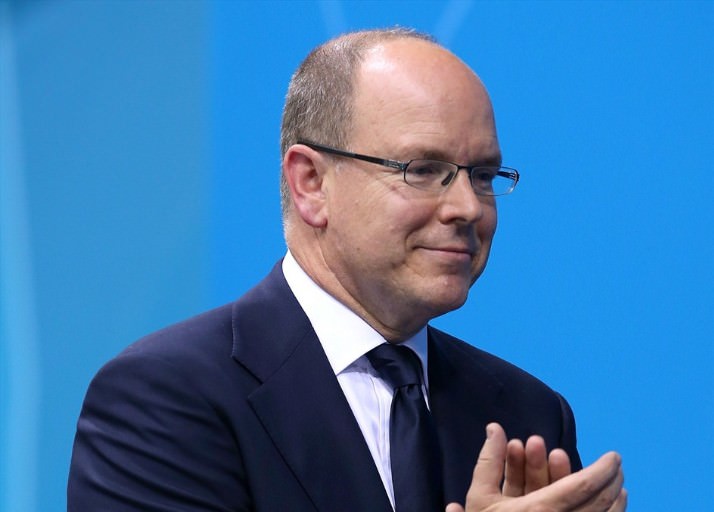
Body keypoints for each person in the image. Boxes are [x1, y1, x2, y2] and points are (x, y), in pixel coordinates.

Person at [68, 28, 626, 511]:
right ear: (311, 183)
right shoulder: (166, 397)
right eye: (424, 169)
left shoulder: (528, 413)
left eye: (482, 175)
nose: (468, 208)